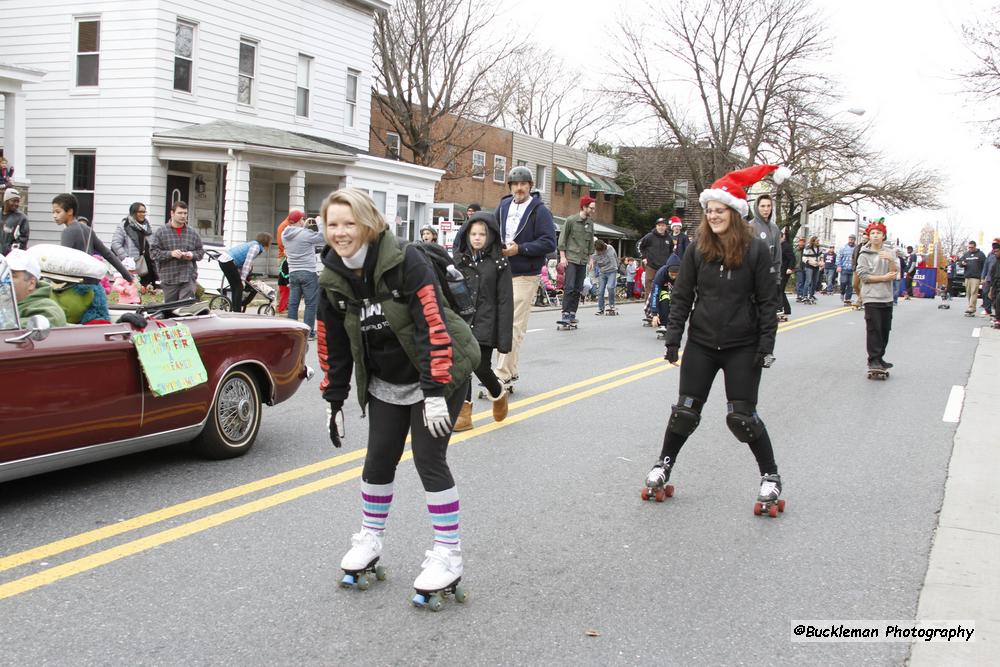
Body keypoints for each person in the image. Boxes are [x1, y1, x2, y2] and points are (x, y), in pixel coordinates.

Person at [316, 188, 479, 600]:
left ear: (368, 224)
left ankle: (449, 555)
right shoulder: (332, 278)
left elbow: (432, 324)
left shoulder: (406, 260)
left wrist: (436, 390)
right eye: (332, 224)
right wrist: (334, 400)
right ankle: (369, 539)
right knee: (379, 458)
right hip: (388, 380)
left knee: (428, 458)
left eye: (349, 223)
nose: (340, 232)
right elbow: (332, 342)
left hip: (440, 369)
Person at [645, 164, 783, 511]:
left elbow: (768, 302)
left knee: (742, 417)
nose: (714, 216)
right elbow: (683, 295)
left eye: (720, 211)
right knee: (685, 412)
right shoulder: (698, 248)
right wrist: (674, 338)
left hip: (742, 345)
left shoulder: (754, 249)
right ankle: (663, 464)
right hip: (703, 343)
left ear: (734, 213)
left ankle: (770, 476)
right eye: (709, 211)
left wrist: (766, 345)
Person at [493, 166, 556, 384]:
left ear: (530, 186)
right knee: (500, 322)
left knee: (513, 324)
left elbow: (549, 242)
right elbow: (492, 232)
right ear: (510, 186)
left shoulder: (540, 210)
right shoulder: (502, 206)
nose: (519, 188)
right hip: (501, 271)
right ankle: (511, 369)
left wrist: (520, 249)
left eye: (523, 184)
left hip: (525, 274)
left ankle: (501, 373)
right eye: (515, 184)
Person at [451, 211, 513, 431]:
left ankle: (497, 393)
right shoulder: (458, 261)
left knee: (480, 367)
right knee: (462, 368)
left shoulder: (499, 263)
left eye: (482, 234)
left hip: (486, 322)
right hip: (462, 322)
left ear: (490, 236)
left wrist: (504, 340)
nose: (477, 238)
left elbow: (505, 301)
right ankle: (463, 414)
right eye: (473, 233)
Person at [52, 193, 135, 283]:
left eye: (58, 212)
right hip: (91, 283)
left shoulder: (68, 231)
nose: (54, 216)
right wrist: (127, 275)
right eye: (53, 212)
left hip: (74, 284)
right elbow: (108, 254)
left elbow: (64, 261)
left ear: (70, 211)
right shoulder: (88, 229)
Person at [856, 220, 898, 371]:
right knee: (874, 329)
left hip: (886, 296)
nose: (875, 236)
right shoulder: (864, 254)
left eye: (878, 233)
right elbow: (864, 276)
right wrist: (882, 278)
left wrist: (891, 260)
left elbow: (894, 273)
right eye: (872, 233)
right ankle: (873, 359)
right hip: (871, 296)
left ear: (883, 236)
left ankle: (880, 357)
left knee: (885, 330)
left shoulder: (889, 252)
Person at [148, 200, 203, 303]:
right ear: (172, 213)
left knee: (184, 308)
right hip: (169, 277)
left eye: (185, 213)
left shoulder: (192, 233)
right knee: (170, 309)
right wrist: (171, 254)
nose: (183, 216)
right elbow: (153, 253)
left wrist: (192, 255)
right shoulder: (161, 232)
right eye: (180, 213)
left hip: (188, 276)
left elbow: (200, 252)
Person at [282, 211, 325, 339]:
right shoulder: (305, 234)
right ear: (300, 220)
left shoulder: (285, 234)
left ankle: (292, 331)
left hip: (293, 272)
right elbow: (322, 238)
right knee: (310, 304)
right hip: (307, 272)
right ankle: (309, 332)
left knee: (293, 303)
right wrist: (320, 222)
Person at [557, 196, 597, 324]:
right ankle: (565, 313)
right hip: (571, 259)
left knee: (578, 287)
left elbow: (590, 242)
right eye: (591, 208)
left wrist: (591, 259)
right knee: (569, 286)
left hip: (583, 260)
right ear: (584, 207)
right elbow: (562, 240)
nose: (593, 211)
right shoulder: (571, 220)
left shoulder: (590, 223)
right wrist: (562, 257)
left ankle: (572, 313)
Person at [5, 248, 67, 326]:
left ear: (31, 283)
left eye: (11, 275)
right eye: (3, 273)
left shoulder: (47, 308)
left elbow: (46, 324)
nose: (4, 279)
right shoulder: (5, 302)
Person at [218, 233, 272, 313]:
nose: (270, 244)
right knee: (239, 286)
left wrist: (241, 275)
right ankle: (237, 312)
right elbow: (247, 263)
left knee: (235, 287)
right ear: (266, 241)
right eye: (270, 242)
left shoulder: (254, 244)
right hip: (227, 261)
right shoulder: (256, 247)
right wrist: (243, 279)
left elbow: (242, 263)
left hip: (225, 261)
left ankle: (234, 310)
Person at [111, 202, 157, 289]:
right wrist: (126, 258)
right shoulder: (124, 226)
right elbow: (115, 244)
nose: (143, 214)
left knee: (148, 289)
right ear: (133, 212)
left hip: (148, 264)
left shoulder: (148, 227)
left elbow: (153, 244)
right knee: (134, 290)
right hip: (132, 265)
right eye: (140, 212)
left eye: (144, 212)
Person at [750, 194, 781, 310]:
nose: (766, 209)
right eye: (763, 206)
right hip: (754, 278)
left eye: (769, 206)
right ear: (757, 207)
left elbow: (778, 256)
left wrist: (777, 279)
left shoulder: (774, 228)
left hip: (770, 277)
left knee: (767, 312)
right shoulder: (751, 227)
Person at [276, 210, 305, 314]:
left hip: (288, 256)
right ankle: (280, 307)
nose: (303, 221)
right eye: (302, 219)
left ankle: (285, 306)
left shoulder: (291, 226)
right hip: (286, 256)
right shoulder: (285, 227)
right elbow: (281, 243)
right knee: (284, 285)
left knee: (286, 287)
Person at [637, 218, 673, 297]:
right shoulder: (649, 236)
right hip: (651, 265)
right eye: (659, 225)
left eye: (663, 225)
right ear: (656, 226)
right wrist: (644, 258)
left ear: (666, 227)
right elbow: (639, 246)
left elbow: (671, 252)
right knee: (649, 285)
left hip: (664, 267)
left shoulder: (669, 238)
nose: (661, 227)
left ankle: (662, 305)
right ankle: (648, 305)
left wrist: (670, 263)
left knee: (663, 286)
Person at [649, 253, 681, 333]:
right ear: (667, 270)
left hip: (675, 289)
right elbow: (655, 293)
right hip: (663, 289)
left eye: (676, 275)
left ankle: (672, 321)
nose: (673, 277)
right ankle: (663, 324)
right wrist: (655, 314)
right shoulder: (661, 273)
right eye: (672, 274)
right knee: (665, 297)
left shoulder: (683, 274)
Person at [958, 240, 987, 315]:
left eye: (971, 247)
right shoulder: (966, 254)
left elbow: (985, 265)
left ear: (975, 247)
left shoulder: (980, 254)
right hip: (967, 276)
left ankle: (971, 308)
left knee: (974, 292)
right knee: (968, 293)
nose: (970, 249)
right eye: (969, 247)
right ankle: (971, 307)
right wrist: (962, 263)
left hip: (976, 277)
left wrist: (983, 277)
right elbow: (960, 262)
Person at [591, 239, 619, 315]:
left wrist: (616, 267)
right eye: (599, 251)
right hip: (602, 273)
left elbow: (615, 259)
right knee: (600, 291)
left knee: (610, 287)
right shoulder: (594, 254)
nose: (601, 252)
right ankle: (600, 308)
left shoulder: (610, 248)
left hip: (612, 271)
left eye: (602, 250)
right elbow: (593, 266)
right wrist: (594, 279)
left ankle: (612, 305)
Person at [1, 189, 29, 255]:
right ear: (6, 201)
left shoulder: (22, 218)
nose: (16, 204)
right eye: (13, 201)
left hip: (12, 258)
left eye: (18, 201)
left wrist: (9, 252)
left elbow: (23, 240)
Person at [778, 227, 795, 320]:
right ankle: (785, 310)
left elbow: (792, 258)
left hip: (784, 271)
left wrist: (790, 268)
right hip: (778, 271)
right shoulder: (778, 246)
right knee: (779, 291)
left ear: (781, 237)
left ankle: (781, 310)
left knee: (779, 290)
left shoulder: (786, 246)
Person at [836, 235, 857, 305]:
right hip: (844, 268)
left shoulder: (856, 248)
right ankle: (842, 292)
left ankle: (848, 299)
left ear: (854, 240)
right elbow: (839, 257)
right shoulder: (843, 248)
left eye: (852, 239)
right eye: (850, 239)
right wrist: (839, 266)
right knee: (843, 282)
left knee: (851, 285)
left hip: (853, 269)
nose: (851, 241)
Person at [982, 239, 1000, 316]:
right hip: (990, 277)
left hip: (997, 278)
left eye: (995, 243)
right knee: (986, 293)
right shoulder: (990, 254)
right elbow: (986, 265)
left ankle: (997, 314)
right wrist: (983, 276)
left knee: (996, 297)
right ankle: (988, 310)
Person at [801, 236, 821, 303]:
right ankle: (805, 296)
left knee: (815, 282)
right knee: (808, 281)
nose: (818, 242)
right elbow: (804, 258)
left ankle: (811, 295)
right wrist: (809, 262)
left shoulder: (819, 248)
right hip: (809, 266)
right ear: (813, 241)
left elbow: (821, 256)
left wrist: (821, 262)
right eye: (817, 241)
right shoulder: (808, 248)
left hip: (816, 266)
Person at [793, 237, 806, 301]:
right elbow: (793, 259)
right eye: (800, 242)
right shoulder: (795, 250)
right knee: (800, 281)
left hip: (805, 267)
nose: (801, 243)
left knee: (804, 281)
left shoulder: (806, 249)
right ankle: (799, 295)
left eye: (803, 242)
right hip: (798, 267)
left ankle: (804, 294)